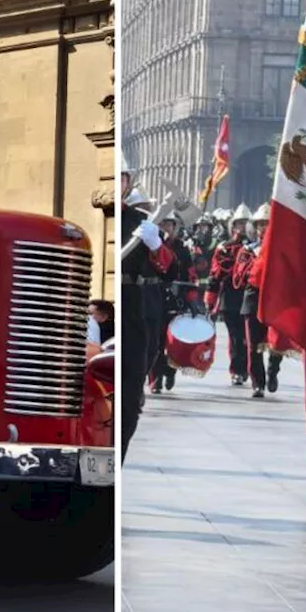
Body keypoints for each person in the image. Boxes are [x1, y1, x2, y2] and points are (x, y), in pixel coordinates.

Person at [120, 168, 172, 462]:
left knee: (129, 401)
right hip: (99, 315)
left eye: (123, 177)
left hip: (134, 313)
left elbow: (172, 269)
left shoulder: (142, 223)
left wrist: (155, 246)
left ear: (128, 183)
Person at [235, 203, 283, 397]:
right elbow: (237, 279)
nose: (264, 228)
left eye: (267, 223)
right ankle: (258, 382)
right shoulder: (247, 250)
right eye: (260, 224)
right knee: (253, 344)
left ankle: (273, 371)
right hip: (253, 299)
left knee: (276, 342)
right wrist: (256, 264)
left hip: (275, 299)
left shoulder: (281, 249)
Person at [205, 205, 253, 386]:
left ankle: (250, 368)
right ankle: (236, 370)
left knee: (249, 338)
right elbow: (215, 275)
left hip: (251, 297)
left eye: (245, 223)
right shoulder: (224, 248)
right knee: (235, 337)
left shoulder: (258, 247)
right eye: (239, 224)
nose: (242, 227)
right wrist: (210, 299)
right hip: (230, 298)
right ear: (232, 227)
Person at [150, 212, 195, 393]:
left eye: (169, 224)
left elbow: (190, 274)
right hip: (154, 296)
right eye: (162, 224)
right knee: (155, 341)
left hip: (176, 299)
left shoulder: (182, 248)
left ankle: (170, 372)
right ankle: (155, 379)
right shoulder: (150, 245)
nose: (165, 228)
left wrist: (191, 299)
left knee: (173, 341)